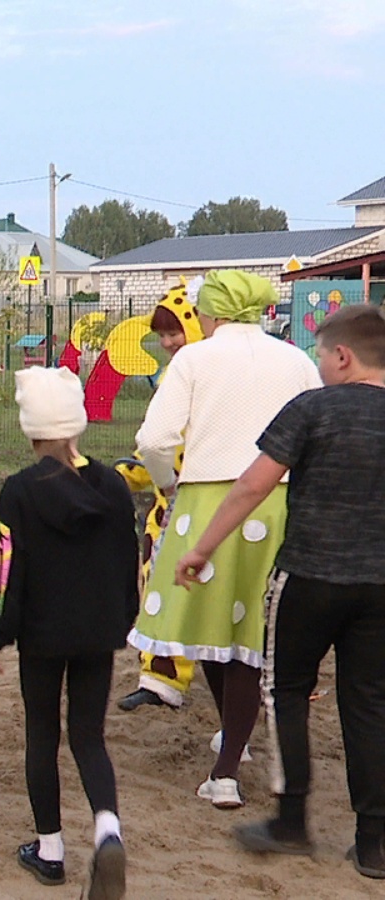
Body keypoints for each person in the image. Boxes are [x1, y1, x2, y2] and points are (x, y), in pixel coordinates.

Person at [174, 305, 385, 880]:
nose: (319, 366)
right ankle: (374, 841)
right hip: (380, 586)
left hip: (309, 578)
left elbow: (251, 486)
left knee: (285, 690)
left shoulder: (312, 410)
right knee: (368, 702)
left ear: (343, 357)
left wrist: (202, 548)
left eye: (321, 356)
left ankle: (291, 819)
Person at [129, 270, 321, 810]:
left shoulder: (195, 359)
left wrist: (169, 483)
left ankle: (227, 768)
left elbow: (154, 439)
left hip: (209, 502)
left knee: (217, 629)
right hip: (278, 502)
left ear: (210, 314)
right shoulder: (295, 358)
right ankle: (233, 741)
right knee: (248, 632)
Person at [0, 367, 136, 899]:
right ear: (78, 425)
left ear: (31, 432)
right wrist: (125, 617)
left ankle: (49, 849)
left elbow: (4, 569)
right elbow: (128, 558)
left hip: (42, 634)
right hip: (99, 630)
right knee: (89, 735)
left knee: (42, 734)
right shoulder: (115, 486)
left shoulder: (19, 492)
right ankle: (107, 829)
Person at [113, 284, 205, 712]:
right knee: (160, 585)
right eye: (162, 335)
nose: (168, 343)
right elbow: (156, 443)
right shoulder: (176, 372)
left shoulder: (200, 371)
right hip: (171, 501)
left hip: (204, 494)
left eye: (175, 332)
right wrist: (126, 475)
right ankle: (161, 676)